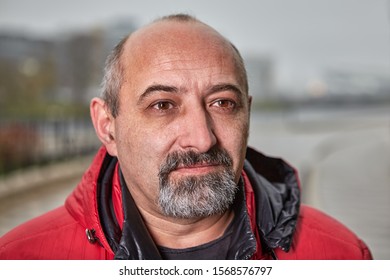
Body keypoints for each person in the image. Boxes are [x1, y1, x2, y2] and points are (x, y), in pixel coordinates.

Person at [0, 14, 372, 260]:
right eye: (163, 105)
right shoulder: (22, 258)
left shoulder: (337, 255)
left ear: (248, 113)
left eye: (223, 103)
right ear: (106, 125)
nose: (201, 138)